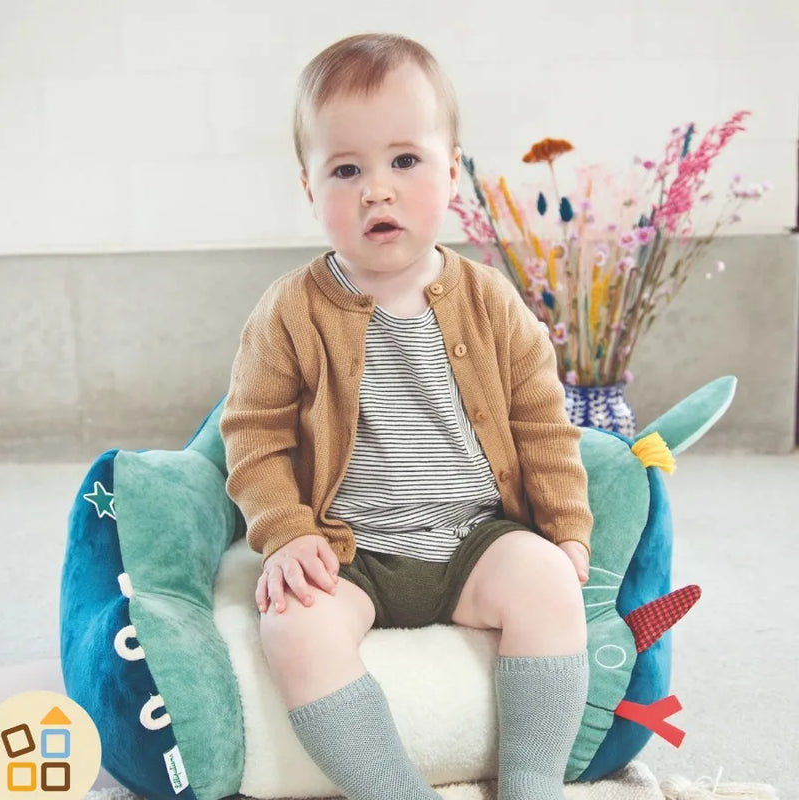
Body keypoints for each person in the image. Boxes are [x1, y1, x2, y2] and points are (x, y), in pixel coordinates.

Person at [220, 32, 593, 800]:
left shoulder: (489, 300)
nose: (376, 191)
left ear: (452, 172)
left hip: (473, 539)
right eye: (346, 170)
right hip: (348, 550)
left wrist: (566, 529)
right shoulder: (289, 311)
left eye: (404, 161)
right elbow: (253, 436)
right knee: (292, 628)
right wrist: (286, 533)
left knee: (551, 587)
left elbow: (543, 424)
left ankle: (533, 784)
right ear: (309, 187)